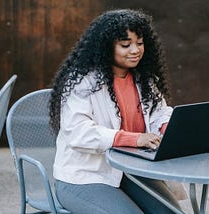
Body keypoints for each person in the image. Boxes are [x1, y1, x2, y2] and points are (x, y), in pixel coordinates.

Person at [49, 9, 185, 213]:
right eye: (125, 45)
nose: (135, 50)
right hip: (85, 177)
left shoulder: (144, 79)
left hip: (132, 172)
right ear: (105, 47)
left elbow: (160, 113)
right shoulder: (83, 83)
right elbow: (78, 133)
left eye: (139, 43)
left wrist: (168, 127)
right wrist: (134, 139)